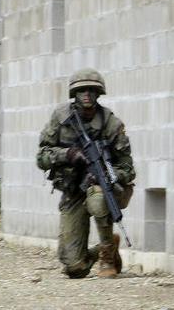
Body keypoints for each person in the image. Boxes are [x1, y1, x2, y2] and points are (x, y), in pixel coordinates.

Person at [36, 68, 135, 279]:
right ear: (75, 95)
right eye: (82, 91)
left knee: (99, 198)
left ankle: (107, 257)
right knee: (74, 267)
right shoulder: (61, 119)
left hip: (102, 187)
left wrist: (110, 176)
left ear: (99, 93)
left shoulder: (111, 124)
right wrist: (68, 154)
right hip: (73, 190)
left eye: (91, 90)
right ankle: (104, 247)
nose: (87, 94)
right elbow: (41, 158)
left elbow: (128, 168)